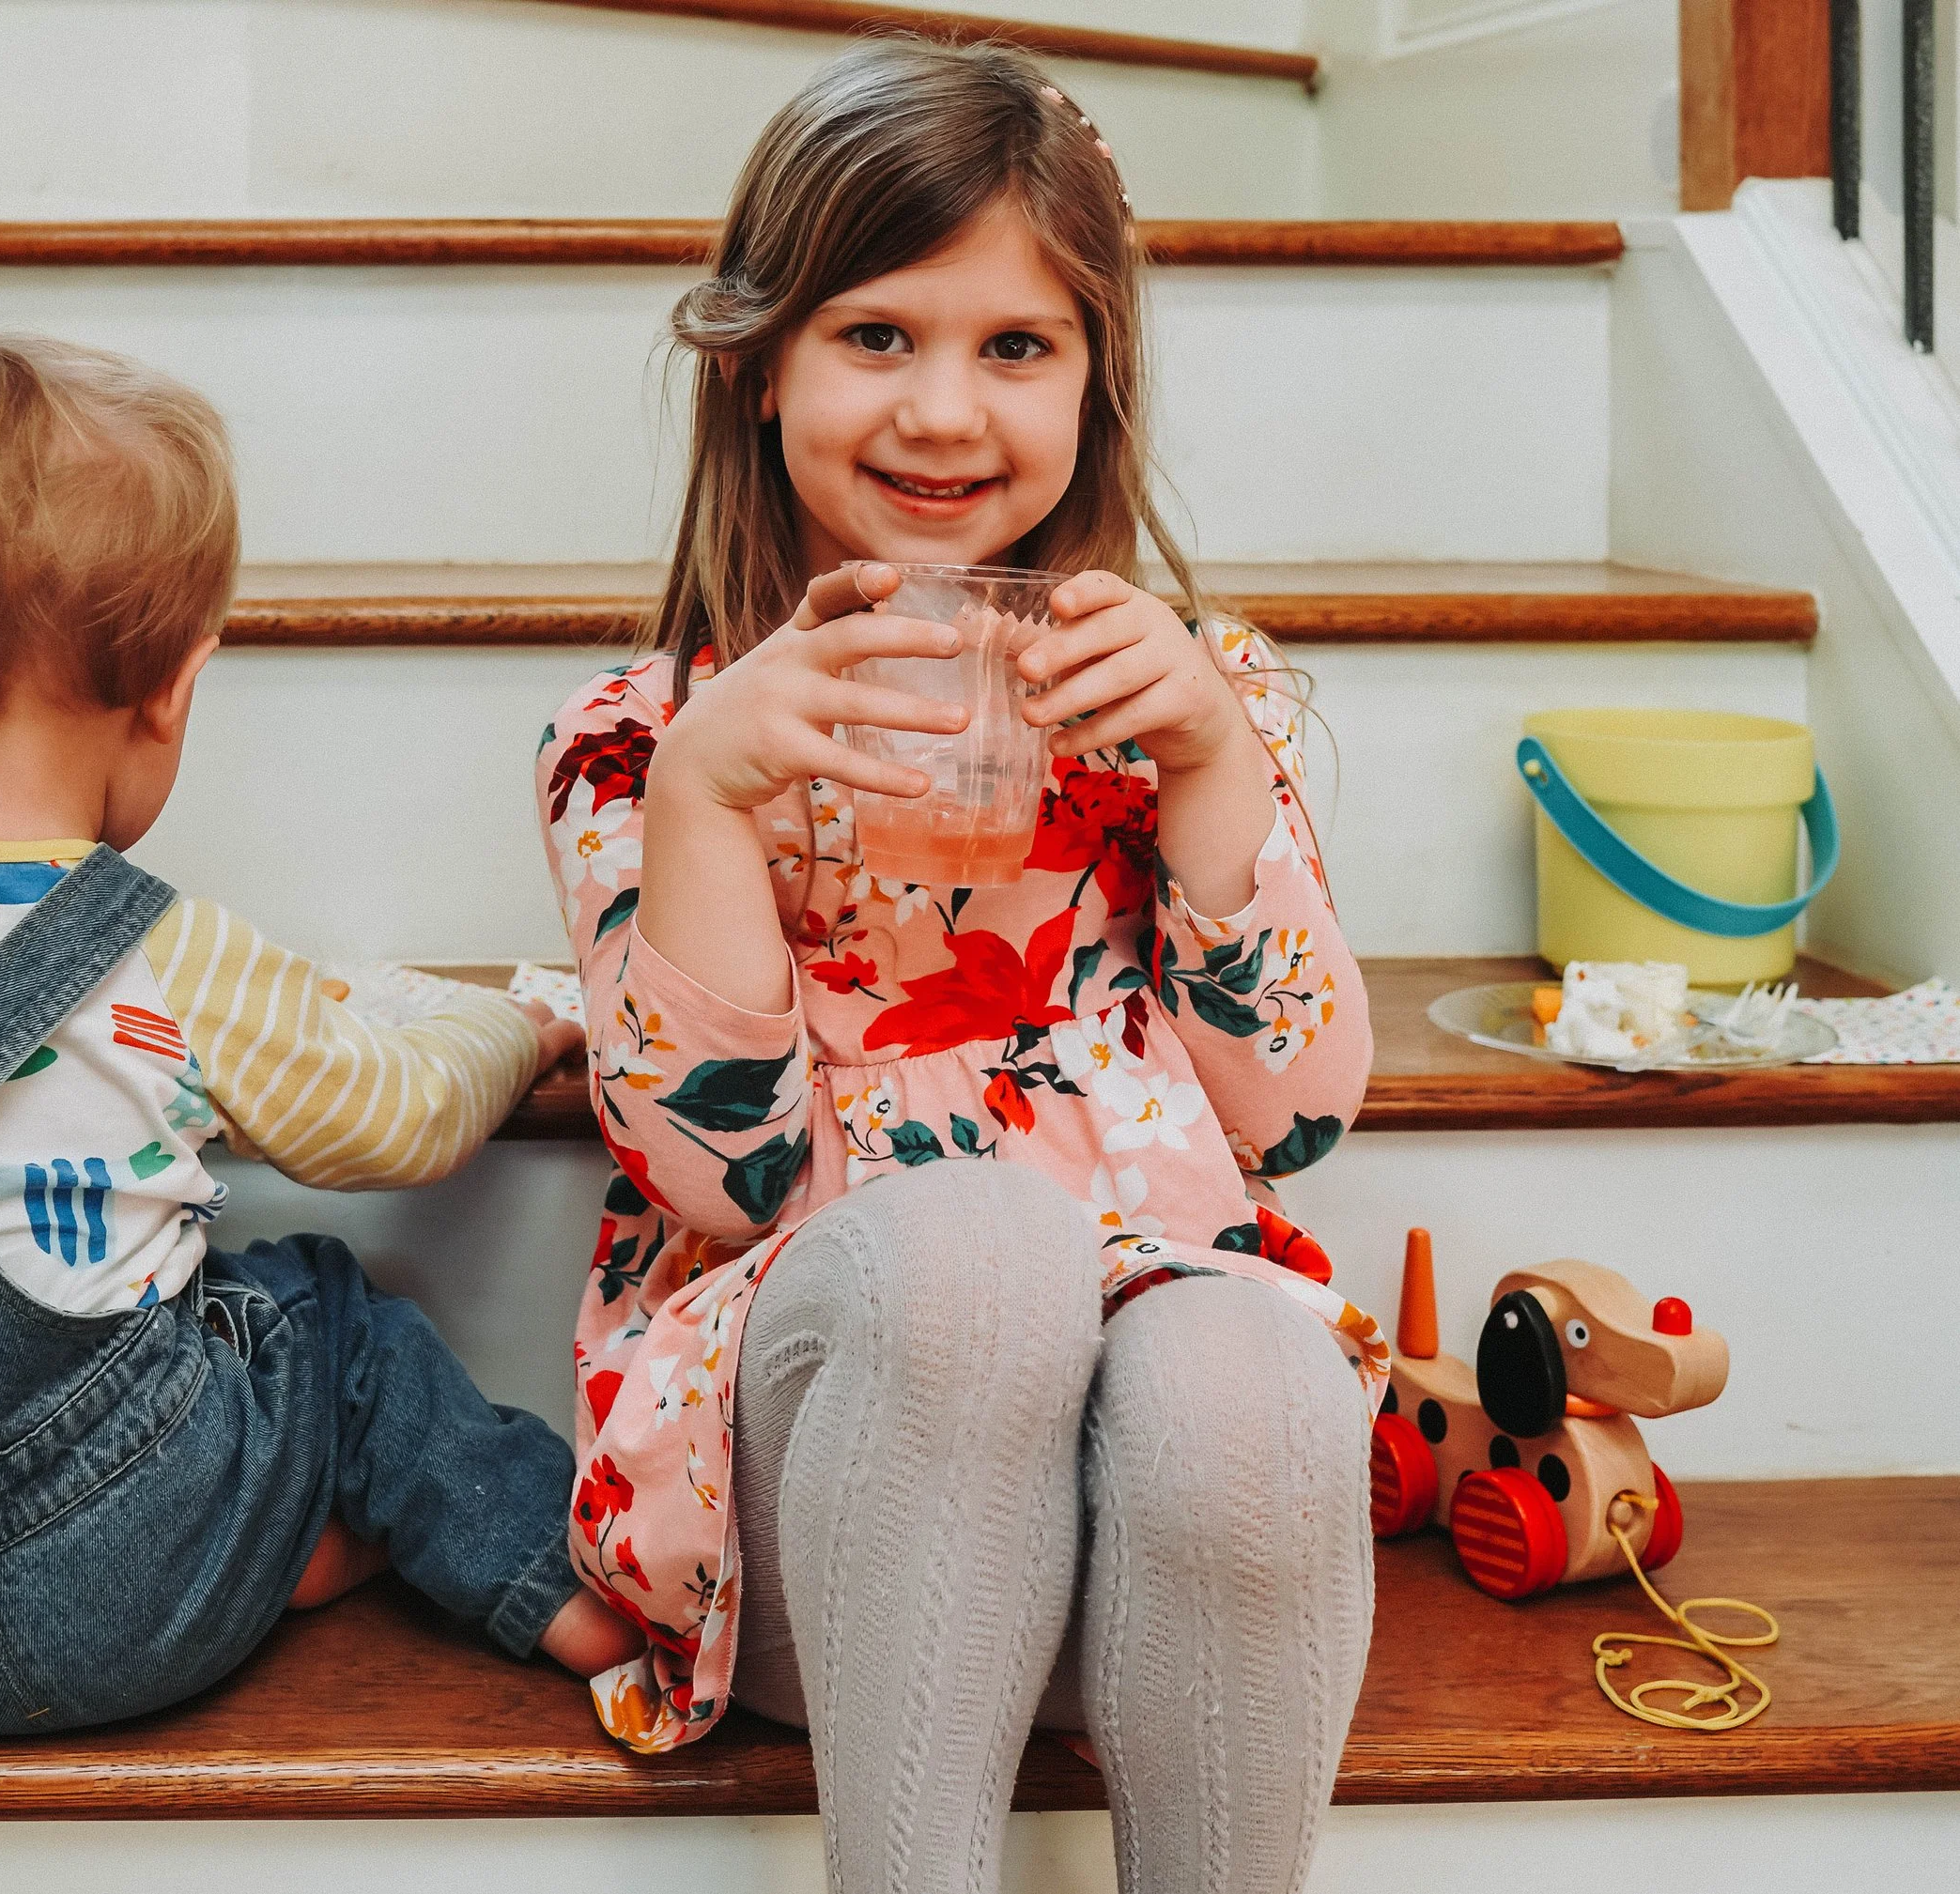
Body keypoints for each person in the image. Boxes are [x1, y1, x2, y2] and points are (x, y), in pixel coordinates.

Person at [537, 40, 1389, 1894]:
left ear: (1095, 385)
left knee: (1247, 1375)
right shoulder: (646, 741)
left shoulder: (1186, 710)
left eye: (1016, 347)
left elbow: (1301, 1124)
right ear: (760, 366)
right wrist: (704, 803)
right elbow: (721, 1176)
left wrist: (1214, 772)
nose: (945, 409)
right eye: (876, 336)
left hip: (1146, 1556)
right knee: (974, 1244)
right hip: (814, 1529)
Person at [0, 334, 637, 1736]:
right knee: (316, 1313)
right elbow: (398, 1119)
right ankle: (564, 1588)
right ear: (174, 684)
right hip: (112, 1598)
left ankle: (279, 1552)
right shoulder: (165, 951)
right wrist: (517, 1022)